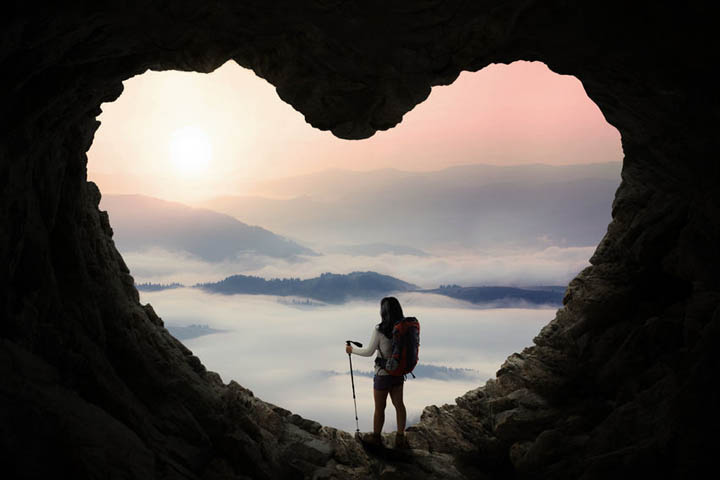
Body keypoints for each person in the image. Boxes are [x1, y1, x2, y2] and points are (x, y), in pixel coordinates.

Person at [345, 296, 410, 449]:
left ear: (383, 311)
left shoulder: (380, 329)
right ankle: (400, 438)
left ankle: (376, 438)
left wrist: (351, 350)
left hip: (383, 374)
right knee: (399, 404)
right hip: (398, 373)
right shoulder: (403, 328)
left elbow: (369, 352)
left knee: (380, 408)